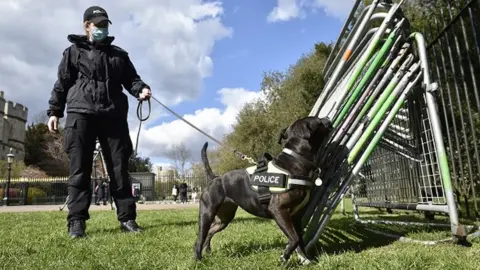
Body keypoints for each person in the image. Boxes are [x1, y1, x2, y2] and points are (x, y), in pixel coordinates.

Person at [46, 6, 152, 238]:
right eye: (98, 24)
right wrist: (54, 111)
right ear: (87, 26)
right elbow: (62, 83)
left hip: (112, 115)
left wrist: (141, 89)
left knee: (119, 169)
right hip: (80, 114)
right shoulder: (72, 52)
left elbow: (132, 80)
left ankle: (127, 219)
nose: (102, 28)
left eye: (105, 24)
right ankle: (76, 222)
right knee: (79, 170)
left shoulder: (119, 55)